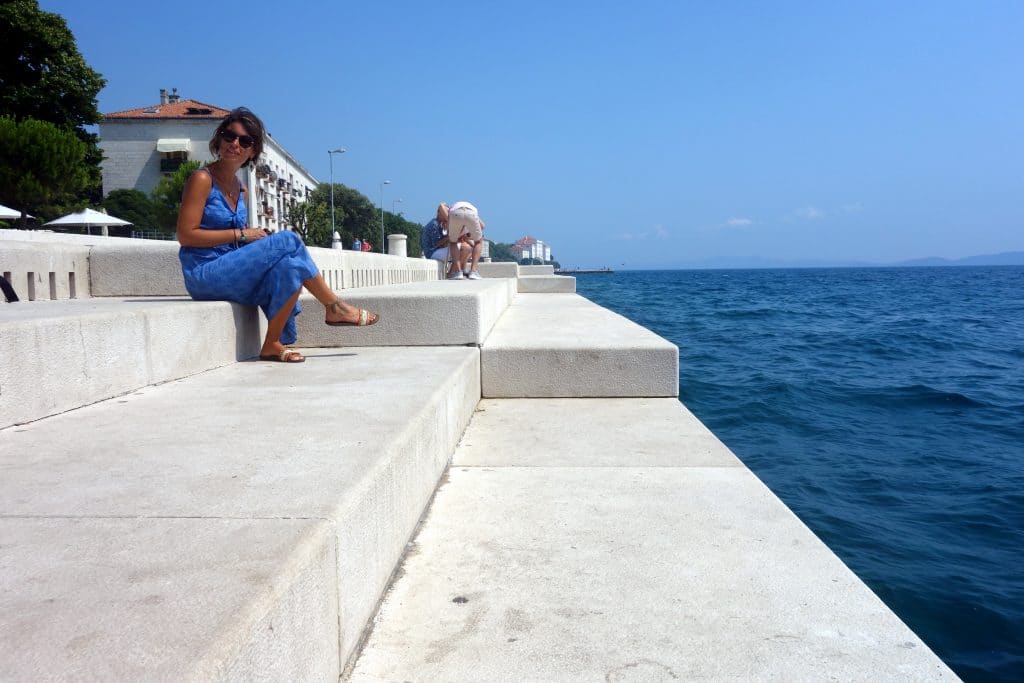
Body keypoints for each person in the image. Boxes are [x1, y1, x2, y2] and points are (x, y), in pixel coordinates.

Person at [177, 107, 379, 364]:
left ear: (252, 151)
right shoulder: (202, 179)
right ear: (219, 139)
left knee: (290, 266)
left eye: (244, 141)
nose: (234, 144)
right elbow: (186, 235)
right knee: (289, 240)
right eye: (229, 136)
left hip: (229, 268)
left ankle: (272, 343)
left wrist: (253, 242)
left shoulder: (241, 189)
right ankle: (334, 306)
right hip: (204, 272)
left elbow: (240, 243)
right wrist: (242, 234)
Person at [421, 203, 470, 269]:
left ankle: (455, 271)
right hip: (432, 253)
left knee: (467, 248)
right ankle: (454, 271)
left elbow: (442, 242)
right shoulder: (434, 224)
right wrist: (450, 236)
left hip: (435, 251)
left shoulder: (438, 224)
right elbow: (436, 244)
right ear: (439, 212)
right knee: (465, 247)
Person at [446, 201, 485, 280]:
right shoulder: (471, 207)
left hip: (455, 213)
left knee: (453, 242)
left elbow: (448, 226)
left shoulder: (451, 208)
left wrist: (455, 235)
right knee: (478, 242)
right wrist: (468, 232)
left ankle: (457, 272)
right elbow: (482, 226)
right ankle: (473, 271)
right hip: (471, 213)